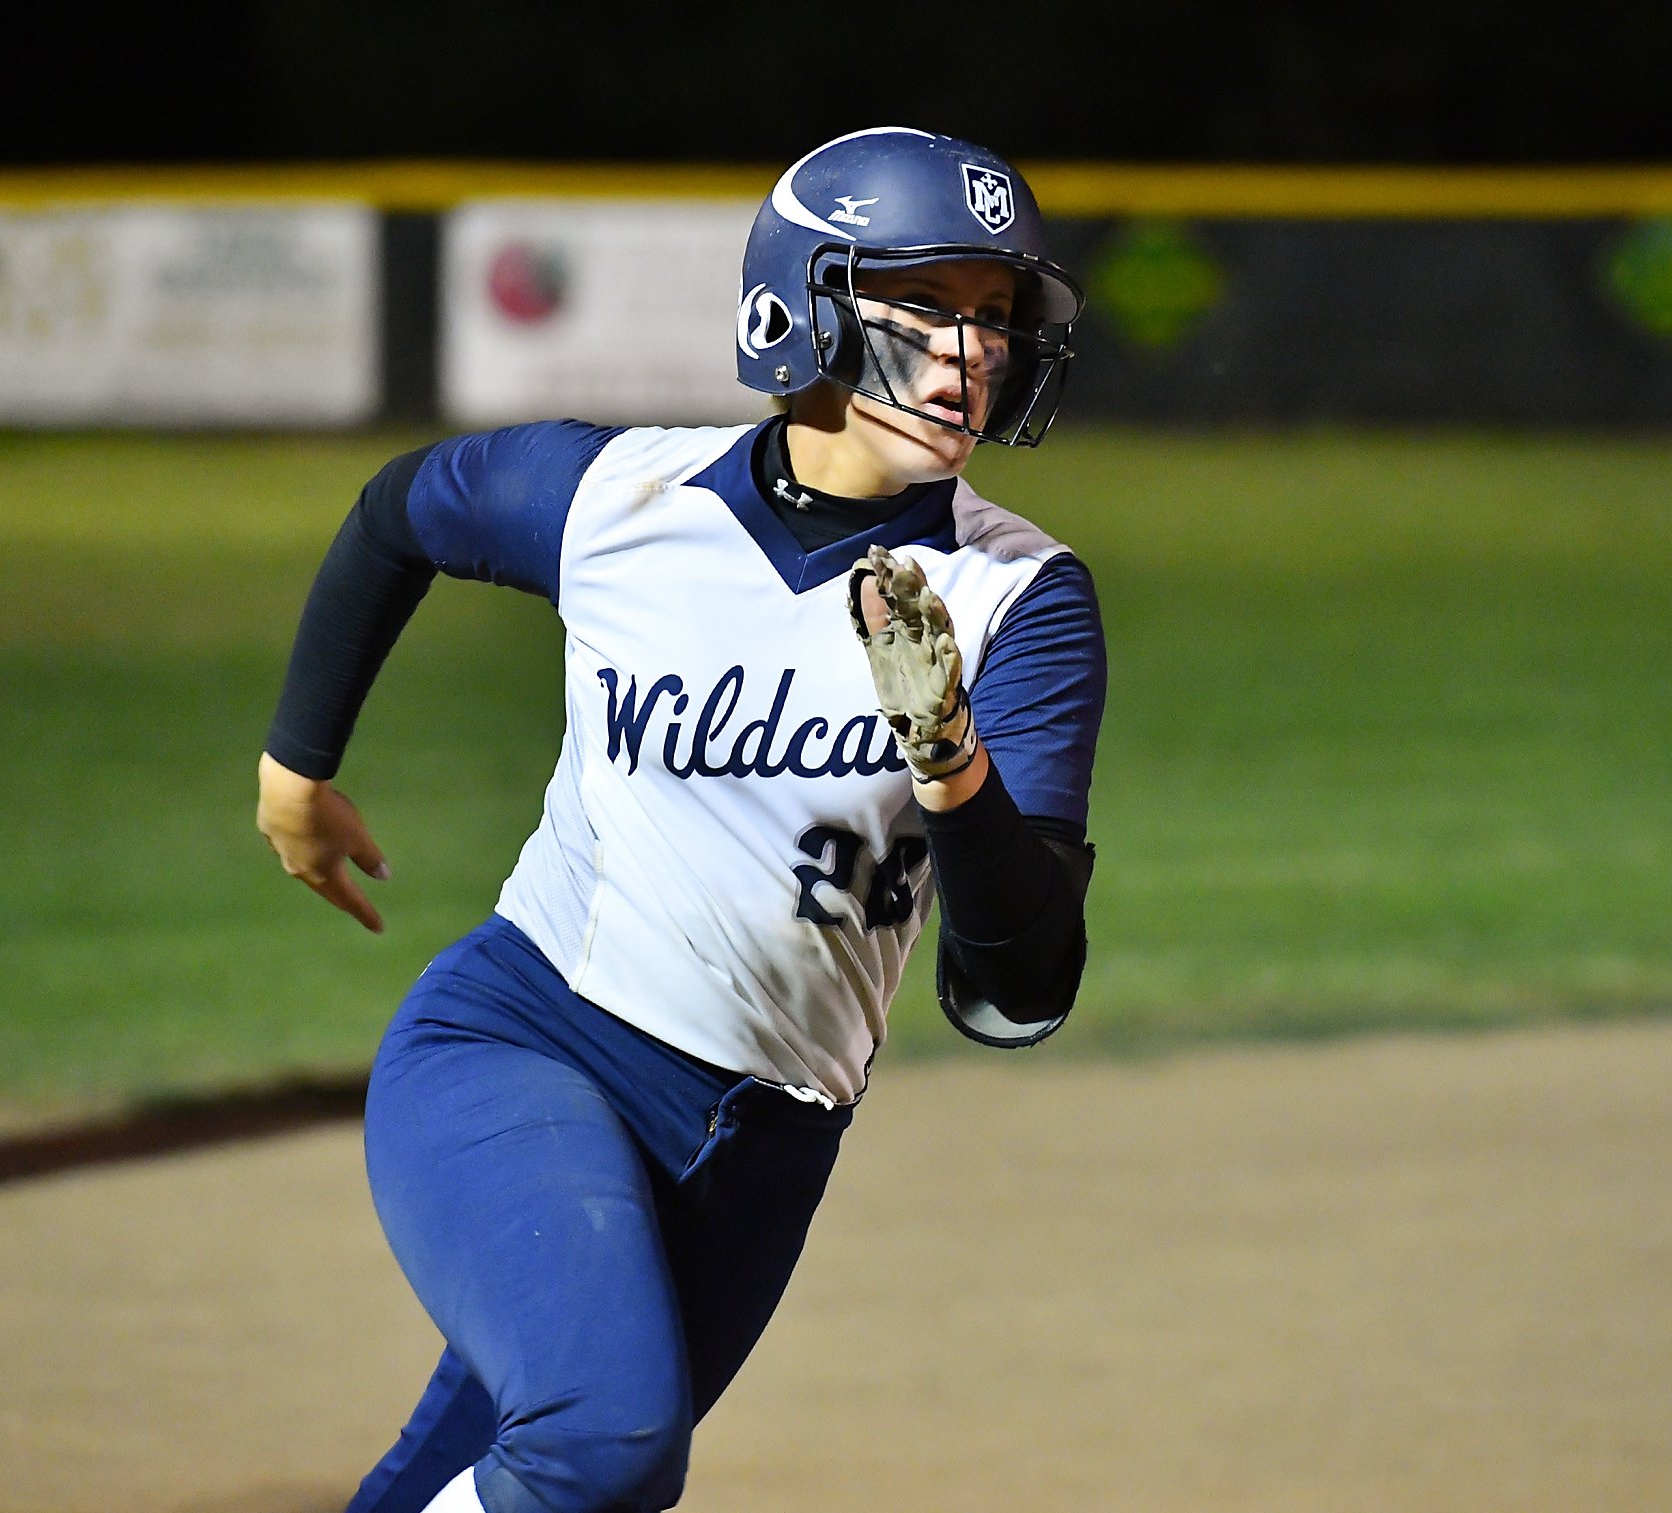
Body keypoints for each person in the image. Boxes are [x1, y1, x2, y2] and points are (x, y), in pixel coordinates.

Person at [258, 126, 1105, 1513]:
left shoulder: (1021, 602)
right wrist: (297, 770)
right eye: (929, 306)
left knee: (504, 1473)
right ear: (809, 308)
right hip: (532, 1041)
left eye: (996, 315)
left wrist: (948, 756)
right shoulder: (618, 499)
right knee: (603, 1445)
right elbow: (397, 513)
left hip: (767, 1145)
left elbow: (1019, 990)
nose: (974, 351)